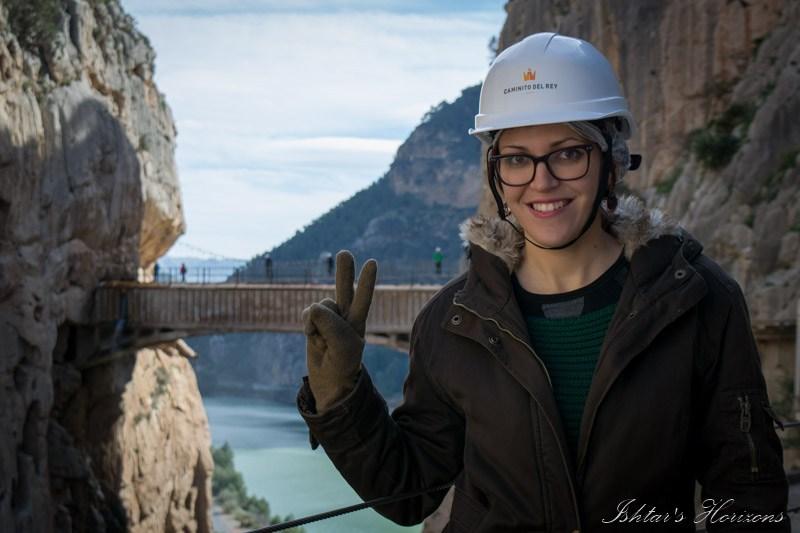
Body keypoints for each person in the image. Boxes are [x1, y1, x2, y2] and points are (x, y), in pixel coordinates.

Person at [296, 32, 789, 532]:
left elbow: (748, 496)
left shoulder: (697, 301)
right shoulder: (452, 323)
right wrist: (342, 401)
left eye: (568, 153)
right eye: (516, 159)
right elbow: (408, 492)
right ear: (496, 174)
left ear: (611, 162)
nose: (542, 180)